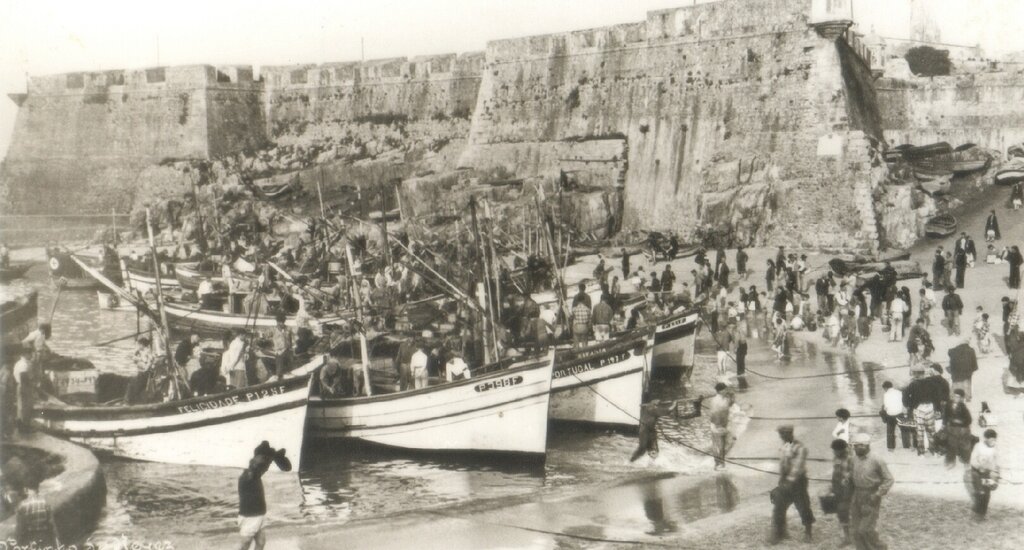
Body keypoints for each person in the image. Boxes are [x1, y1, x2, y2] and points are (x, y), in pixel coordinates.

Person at [237, 442, 292, 550]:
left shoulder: (254, 474)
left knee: (261, 542)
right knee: (246, 543)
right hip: (250, 516)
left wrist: (273, 456)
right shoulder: (249, 475)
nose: (267, 468)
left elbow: (285, 468)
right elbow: (256, 467)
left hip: (259, 514)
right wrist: (271, 456)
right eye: (266, 463)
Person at [770, 425, 814, 544]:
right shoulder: (784, 446)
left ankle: (808, 532)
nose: (782, 437)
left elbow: (797, 466)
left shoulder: (800, 448)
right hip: (785, 481)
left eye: (784, 434)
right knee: (779, 506)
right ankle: (780, 533)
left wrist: (789, 481)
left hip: (798, 481)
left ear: (790, 434)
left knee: (803, 506)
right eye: (781, 435)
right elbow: (782, 465)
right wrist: (781, 480)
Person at [849, 433, 894, 550]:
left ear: (867, 446)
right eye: (855, 446)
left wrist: (878, 494)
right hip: (856, 495)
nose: (856, 448)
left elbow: (889, 479)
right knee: (855, 530)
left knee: (865, 529)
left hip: (871, 495)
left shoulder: (876, 460)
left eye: (860, 445)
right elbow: (851, 477)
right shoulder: (853, 459)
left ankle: (881, 547)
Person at [15, 474, 59, 548]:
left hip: (31, 539)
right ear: (37, 488)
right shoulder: (45, 502)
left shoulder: (22, 505)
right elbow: (51, 523)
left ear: (26, 489)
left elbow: (20, 528)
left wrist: (18, 542)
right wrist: (56, 538)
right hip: (45, 538)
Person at [629, 395, 677, 462]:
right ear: (653, 403)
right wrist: (674, 404)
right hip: (644, 431)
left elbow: (661, 410)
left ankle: (652, 462)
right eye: (657, 402)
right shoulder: (652, 409)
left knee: (654, 449)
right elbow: (667, 410)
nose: (658, 402)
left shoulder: (649, 407)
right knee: (642, 448)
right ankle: (631, 461)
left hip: (651, 431)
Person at [968, 429, 1000, 521]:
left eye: (994, 440)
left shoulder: (994, 448)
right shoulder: (978, 446)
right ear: (985, 439)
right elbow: (972, 460)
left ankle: (982, 514)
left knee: (987, 494)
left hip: (987, 474)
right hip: (977, 473)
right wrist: (979, 467)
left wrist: (995, 473)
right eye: (991, 440)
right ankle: (974, 514)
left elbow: (996, 462)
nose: (993, 442)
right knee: (980, 493)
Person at [830, 438, 855, 546]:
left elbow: (853, 473)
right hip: (838, 488)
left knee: (850, 511)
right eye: (834, 450)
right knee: (841, 512)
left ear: (842, 449)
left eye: (836, 450)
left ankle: (854, 537)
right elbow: (835, 473)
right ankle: (847, 537)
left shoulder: (851, 458)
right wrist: (832, 486)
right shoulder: (836, 458)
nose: (834, 452)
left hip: (849, 488)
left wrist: (847, 479)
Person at [707, 383, 736, 470]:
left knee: (730, 441)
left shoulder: (725, 399)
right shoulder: (715, 400)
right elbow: (714, 414)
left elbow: (731, 403)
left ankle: (721, 462)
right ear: (720, 391)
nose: (726, 391)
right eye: (725, 390)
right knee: (719, 445)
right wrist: (718, 425)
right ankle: (718, 464)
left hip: (724, 425)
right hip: (717, 425)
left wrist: (732, 395)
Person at [943, 389, 973, 469]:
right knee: (951, 445)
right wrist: (944, 424)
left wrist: (960, 422)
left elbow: (969, 420)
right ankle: (950, 462)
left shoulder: (963, 407)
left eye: (958, 397)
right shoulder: (948, 405)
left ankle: (966, 461)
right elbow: (945, 416)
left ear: (961, 398)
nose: (956, 398)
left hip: (962, 428)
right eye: (955, 396)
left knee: (965, 446)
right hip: (952, 428)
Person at [948, 336, 979, 401]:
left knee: (956, 383)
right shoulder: (971, 350)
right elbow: (974, 363)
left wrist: (951, 370)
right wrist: (973, 369)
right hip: (967, 371)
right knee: (967, 382)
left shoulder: (953, 350)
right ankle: (967, 397)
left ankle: (954, 396)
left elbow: (950, 357)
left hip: (956, 372)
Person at [13, 349, 35, 434]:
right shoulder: (23, 364)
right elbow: (24, 378)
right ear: (25, 354)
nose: (31, 356)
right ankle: (25, 428)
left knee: (21, 407)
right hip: (24, 386)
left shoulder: (18, 363)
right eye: (30, 354)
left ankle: (22, 427)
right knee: (25, 408)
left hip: (20, 385)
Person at [880, 381, 906, 451]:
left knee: (890, 431)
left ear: (885, 388)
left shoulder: (886, 394)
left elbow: (886, 407)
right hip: (900, 414)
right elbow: (903, 402)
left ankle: (891, 448)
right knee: (904, 430)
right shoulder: (899, 392)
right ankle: (906, 445)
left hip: (890, 415)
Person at [270, 313, 293, 380]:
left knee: (289, 368)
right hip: (279, 351)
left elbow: (291, 339)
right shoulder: (273, 329)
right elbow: (266, 339)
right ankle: (279, 378)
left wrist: (291, 348)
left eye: (283, 322)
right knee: (280, 368)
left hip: (287, 350)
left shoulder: (288, 329)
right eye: (280, 322)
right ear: (277, 322)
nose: (282, 323)